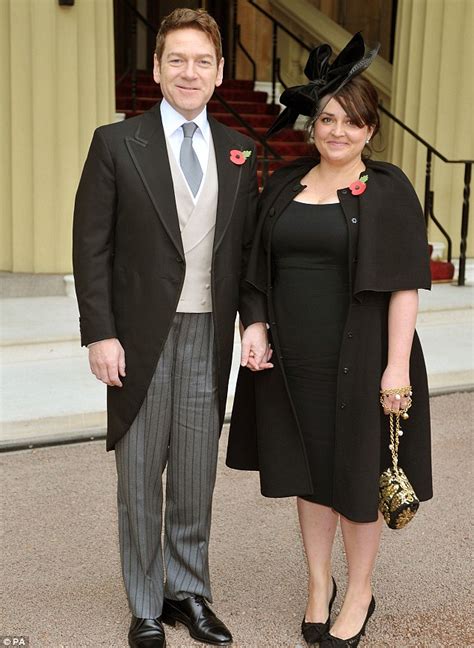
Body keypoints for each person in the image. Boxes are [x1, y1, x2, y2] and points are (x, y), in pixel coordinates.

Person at [226, 33, 433, 647]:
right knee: (308, 472)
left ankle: (360, 591)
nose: (337, 131)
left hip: (365, 357)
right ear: (313, 125)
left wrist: (396, 367)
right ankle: (320, 583)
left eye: (352, 122)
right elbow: (254, 267)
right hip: (293, 360)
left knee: (357, 475)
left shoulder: (389, 191)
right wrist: (254, 324)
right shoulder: (284, 185)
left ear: (371, 130)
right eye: (327, 119)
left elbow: (403, 287)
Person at [73, 8, 270, 648]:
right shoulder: (115, 143)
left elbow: (246, 254)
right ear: (158, 69)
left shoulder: (241, 152)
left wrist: (254, 321)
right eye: (177, 60)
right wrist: (100, 333)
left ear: (219, 73)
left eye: (203, 61)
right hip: (137, 337)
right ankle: (145, 602)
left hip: (209, 331)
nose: (190, 72)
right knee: (138, 476)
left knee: (194, 473)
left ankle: (188, 589)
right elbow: (91, 248)